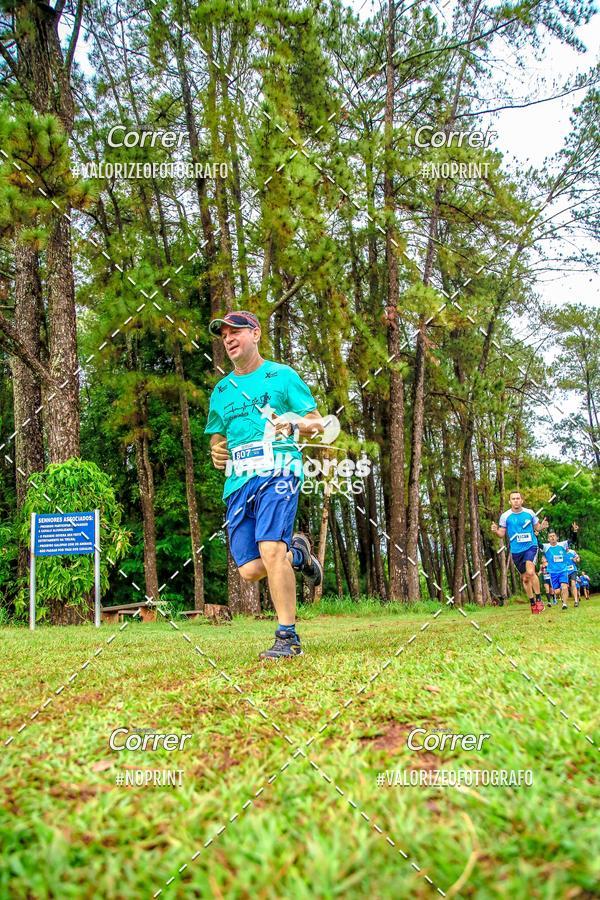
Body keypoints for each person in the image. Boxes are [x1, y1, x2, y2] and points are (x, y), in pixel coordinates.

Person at [205, 310, 329, 659]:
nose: (228, 339)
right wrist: (217, 452)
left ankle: (287, 638)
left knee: (271, 548)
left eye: (235, 332)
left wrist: (291, 426)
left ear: (255, 333)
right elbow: (217, 436)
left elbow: (318, 424)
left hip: (280, 470)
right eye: (224, 335)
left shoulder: (282, 376)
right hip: (238, 483)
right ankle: (299, 554)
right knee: (249, 569)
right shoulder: (221, 390)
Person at [491, 491, 548, 613]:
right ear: (509, 502)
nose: (516, 500)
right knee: (525, 579)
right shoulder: (505, 516)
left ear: (522, 500)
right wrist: (496, 531)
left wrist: (541, 526)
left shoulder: (529, 513)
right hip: (516, 551)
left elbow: (537, 527)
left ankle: (539, 600)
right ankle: (532, 602)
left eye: (518, 498)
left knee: (531, 572)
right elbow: (501, 534)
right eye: (513, 499)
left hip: (531, 546)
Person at [541, 532, 571, 610]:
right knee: (556, 591)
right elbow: (538, 544)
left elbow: (572, 540)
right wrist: (536, 535)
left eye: (553, 536)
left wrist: (574, 532)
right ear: (548, 539)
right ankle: (559, 594)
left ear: (557, 537)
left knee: (564, 586)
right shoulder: (546, 547)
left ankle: (564, 604)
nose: (552, 537)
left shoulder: (562, 544)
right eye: (550, 536)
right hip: (553, 572)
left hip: (563, 570)